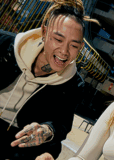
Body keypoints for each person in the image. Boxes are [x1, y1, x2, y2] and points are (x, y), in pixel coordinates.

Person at [0, 0, 99, 159]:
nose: (64, 51)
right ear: (44, 32)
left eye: (73, 46)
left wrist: (47, 130)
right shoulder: (5, 45)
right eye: (58, 40)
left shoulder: (73, 84)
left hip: (19, 141)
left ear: (80, 47)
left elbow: (61, 124)